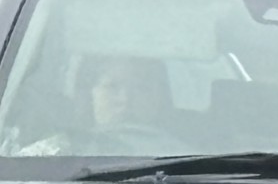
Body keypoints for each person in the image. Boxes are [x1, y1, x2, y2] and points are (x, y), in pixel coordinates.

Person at [15, 55, 171, 156]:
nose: (125, 99)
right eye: (112, 87)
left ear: (159, 97)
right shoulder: (51, 155)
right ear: (89, 94)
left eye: (141, 88)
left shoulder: (178, 159)